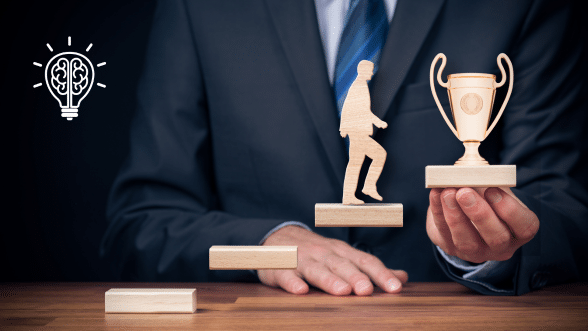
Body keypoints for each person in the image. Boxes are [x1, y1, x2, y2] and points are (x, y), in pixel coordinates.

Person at [101, 0, 588, 296]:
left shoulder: (521, 5)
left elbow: (561, 202)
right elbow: (140, 224)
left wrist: (494, 251)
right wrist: (263, 246)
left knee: (367, 162)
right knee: (366, 159)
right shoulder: (202, 8)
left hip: (447, 317)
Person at [340, 60, 388, 204]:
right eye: (370, 70)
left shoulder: (359, 86)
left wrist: (343, 127)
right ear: (362, 70)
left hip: (356, 131)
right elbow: (359, 111)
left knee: (355, 163)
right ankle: (367, 187)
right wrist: (378, 122)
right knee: (379, 155)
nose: (372, 73)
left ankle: (349, 195)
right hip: (358, 132)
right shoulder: (359, 87)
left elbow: (349, 108)